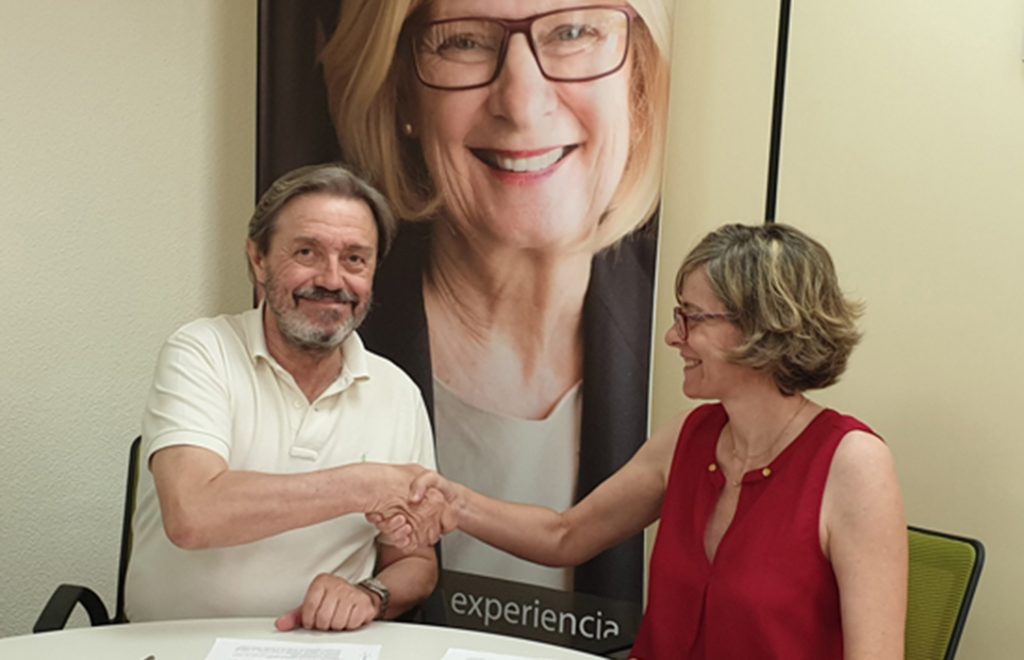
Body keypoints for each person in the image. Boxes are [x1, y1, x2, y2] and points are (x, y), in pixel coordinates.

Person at [381, 223, 909, 659]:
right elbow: (566, 535)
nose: (674, 336)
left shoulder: (852, 463)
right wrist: (455, 504)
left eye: (692, 318)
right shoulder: (690, 436)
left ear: (761, 328)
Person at [319, 0, 672, 600]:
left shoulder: (705, 356)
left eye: (573, 32)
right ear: (402, 94)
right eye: (463, 42)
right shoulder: (320, 340)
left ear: (638, 83)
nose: (522, 103)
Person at [124, 163, 448, 631]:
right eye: (307, 252)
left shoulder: (397, 393)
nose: (332, 280)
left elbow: (415, 561)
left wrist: (371, 594)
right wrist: (363, 485)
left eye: (355, 259)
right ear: (259, 259)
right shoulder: (201, 352)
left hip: (326, 648)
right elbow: (192, 514)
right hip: (178, 645)